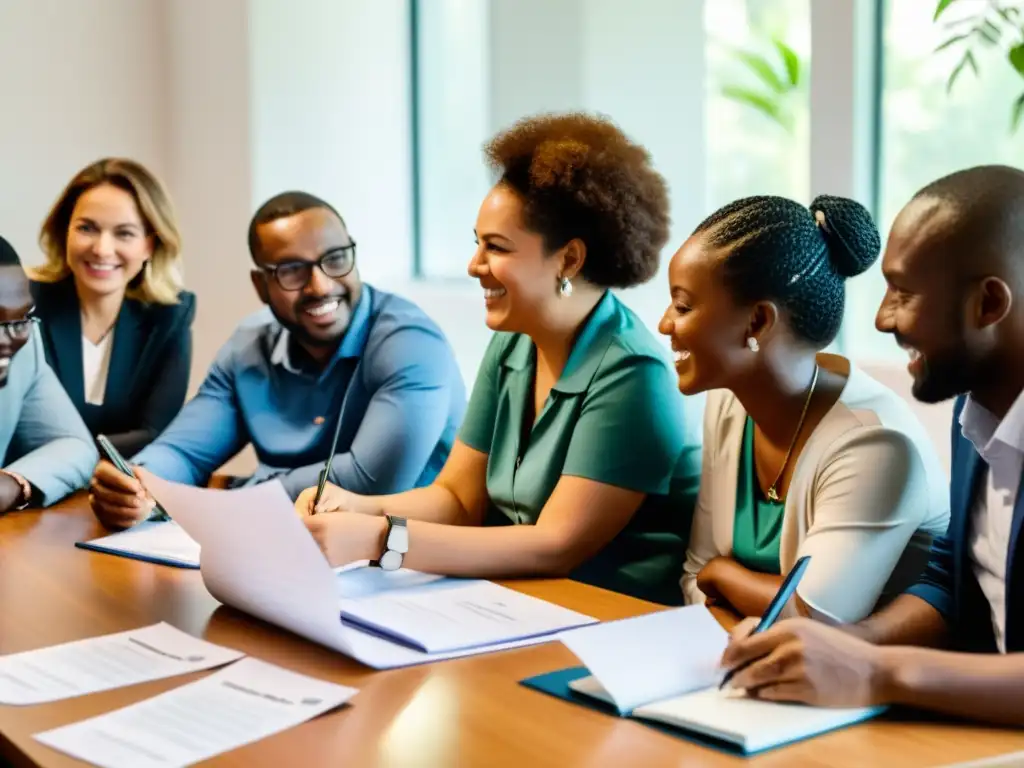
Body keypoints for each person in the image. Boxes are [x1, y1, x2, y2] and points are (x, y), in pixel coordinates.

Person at [295, 113, 701, 605]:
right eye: (476, 244)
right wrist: (355, 506)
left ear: (569, 260)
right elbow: (459, 500)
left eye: (496, 247)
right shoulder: (515, 340)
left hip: (611, 622)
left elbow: (555, 546)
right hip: (518, 605)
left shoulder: (633, 372)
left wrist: (381, 538)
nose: (474, 265)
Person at [720, 165, 1024, 727]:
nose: (883, 318)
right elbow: (952, 586)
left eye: (903, 293)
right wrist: (839, 645)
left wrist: (876, 672)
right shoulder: (976, 409)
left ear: (987, 305)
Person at [87, 191, 465, 529]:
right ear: (260, 285)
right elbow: (184, 452)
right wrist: (138, 484)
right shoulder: (248, 348)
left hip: (411, 559)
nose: (320, 285)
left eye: (335, 259)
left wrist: (240, 496)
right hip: (291, 548)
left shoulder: (410, 342)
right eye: (291, 271)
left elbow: (372, 481)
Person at [666, 194, 948, 622]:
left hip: (864, 681)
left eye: (683, 306)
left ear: (757, 322)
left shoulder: (875, 443)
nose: (665, 323)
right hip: (754, 663)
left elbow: (813, 616)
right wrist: (728, 637)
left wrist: (723, 575)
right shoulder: (728, 399)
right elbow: (694, 575)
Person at [28, 158, 195, 455]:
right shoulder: (23, 305)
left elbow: (155, 433)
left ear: (149, 245)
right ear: (65, 230)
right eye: (87, 228)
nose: (102, 249)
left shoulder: (170, 316)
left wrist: (70, 456)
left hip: (121, 488)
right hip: (28, 488)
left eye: (124, 233)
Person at [0, 235, 98, 512]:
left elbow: (74, 445)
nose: (8, 339)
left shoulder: (24, 350)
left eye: (21, 316)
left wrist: (14, 483)